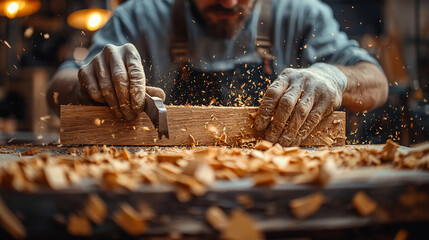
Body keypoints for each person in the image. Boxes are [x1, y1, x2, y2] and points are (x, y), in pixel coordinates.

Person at [47, 0, 388, 146]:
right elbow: (56, 89)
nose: (228, 3)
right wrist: (88, 86)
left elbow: (375, 81)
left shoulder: (301, 13)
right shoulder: (140, 15)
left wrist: (334, 76)